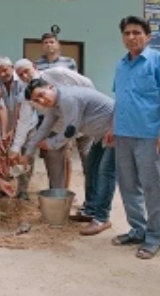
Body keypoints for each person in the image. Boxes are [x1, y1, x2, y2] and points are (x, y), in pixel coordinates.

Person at [110, 15, 160, 261]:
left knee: (153, 187)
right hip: (123, 134)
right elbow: (120, 98)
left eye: (136, 32)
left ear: (148, 37)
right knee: (128, 185)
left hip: (149, 136)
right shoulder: (121, 65)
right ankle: (138, 230)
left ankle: (155, 236)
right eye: (127, 33)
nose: (131, 37)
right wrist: (111, 127)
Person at [20, 79, 115, 236]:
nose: (41, 101)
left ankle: (101, 218)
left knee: (106, 173)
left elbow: (71, 129)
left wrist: (51, 144)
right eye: (36, 100)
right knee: (91, 168)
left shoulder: (68, 98)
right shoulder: (54, 105)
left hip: (114, 129)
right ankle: (90, 211)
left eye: (41, 95)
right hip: (100, 134)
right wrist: (27, 153)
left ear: (50, 87)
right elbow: (44, 128)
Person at [12, 59, 93, 191]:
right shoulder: (26, 96)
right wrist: (17, 149)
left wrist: (88, 106)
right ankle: (57, 196)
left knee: (90, 164)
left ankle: (93, 201)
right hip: (58, 127)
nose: (25, 76)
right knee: (53, 161)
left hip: (85, 122)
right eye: (20, 75)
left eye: (26, 71)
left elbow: (86, 83)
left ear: (34, 66)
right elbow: (25, 122)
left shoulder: (58, 74)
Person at [0, 56, 34, 199]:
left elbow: (19, 108)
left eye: (5, 70)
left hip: (27, 124)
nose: (3, 74)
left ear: (11, 68)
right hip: (4, 125)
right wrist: (5, 131)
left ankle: (23, 190)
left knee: (26, 155)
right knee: (3, 155)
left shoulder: (23, 81)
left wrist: (13, 130)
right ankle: (4, 187)